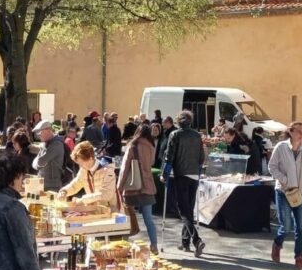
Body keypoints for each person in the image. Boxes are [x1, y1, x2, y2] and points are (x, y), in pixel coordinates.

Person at [162, 110, 206, 257]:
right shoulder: (197, 136)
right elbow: (201, 158)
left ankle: (197, 240)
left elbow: (169, 156)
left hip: (181, 175)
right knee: (188, 210)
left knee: (183, 211)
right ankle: (185, 242)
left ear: (178, 122)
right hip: (194, 175)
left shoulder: (175, 135)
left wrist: (164, 174)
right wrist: (198, 173)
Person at [269, 121, 302, 270]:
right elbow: (271, 167)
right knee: (286, 227)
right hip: (284, 191)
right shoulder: (281, 147)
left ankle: (299, 259)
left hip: (300, 192)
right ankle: (277, 244)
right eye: (299, 131)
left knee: (301, 228)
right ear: (291, 132)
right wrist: (285, 180)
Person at [118, 125, 158, 253]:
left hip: (132, 186)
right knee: (148, 219)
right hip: (148, 185)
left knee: (126, 218)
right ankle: (154, 245)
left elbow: (124, 168)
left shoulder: (132, 145)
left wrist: (119, 186)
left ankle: (125, 247)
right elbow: (151, 163)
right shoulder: (151, 146)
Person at [59, 141, 119, 210]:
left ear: (90, 158)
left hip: (111, 211)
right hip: (96, 210)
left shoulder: (107, 170)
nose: (80, 166)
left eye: (81, 163)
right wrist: (64, 191)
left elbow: (106, 194)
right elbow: (75, 185)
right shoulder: (84, 170)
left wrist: (83, 200)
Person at [32, 120, 65, 191]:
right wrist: (37, 163)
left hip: (52, 186)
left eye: (39, 132)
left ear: (47, 130)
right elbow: (35, 164)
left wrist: (37, 163)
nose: (38, 135)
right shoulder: (46, 144)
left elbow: (40, 161)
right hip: (44, 183)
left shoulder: (56, 144)